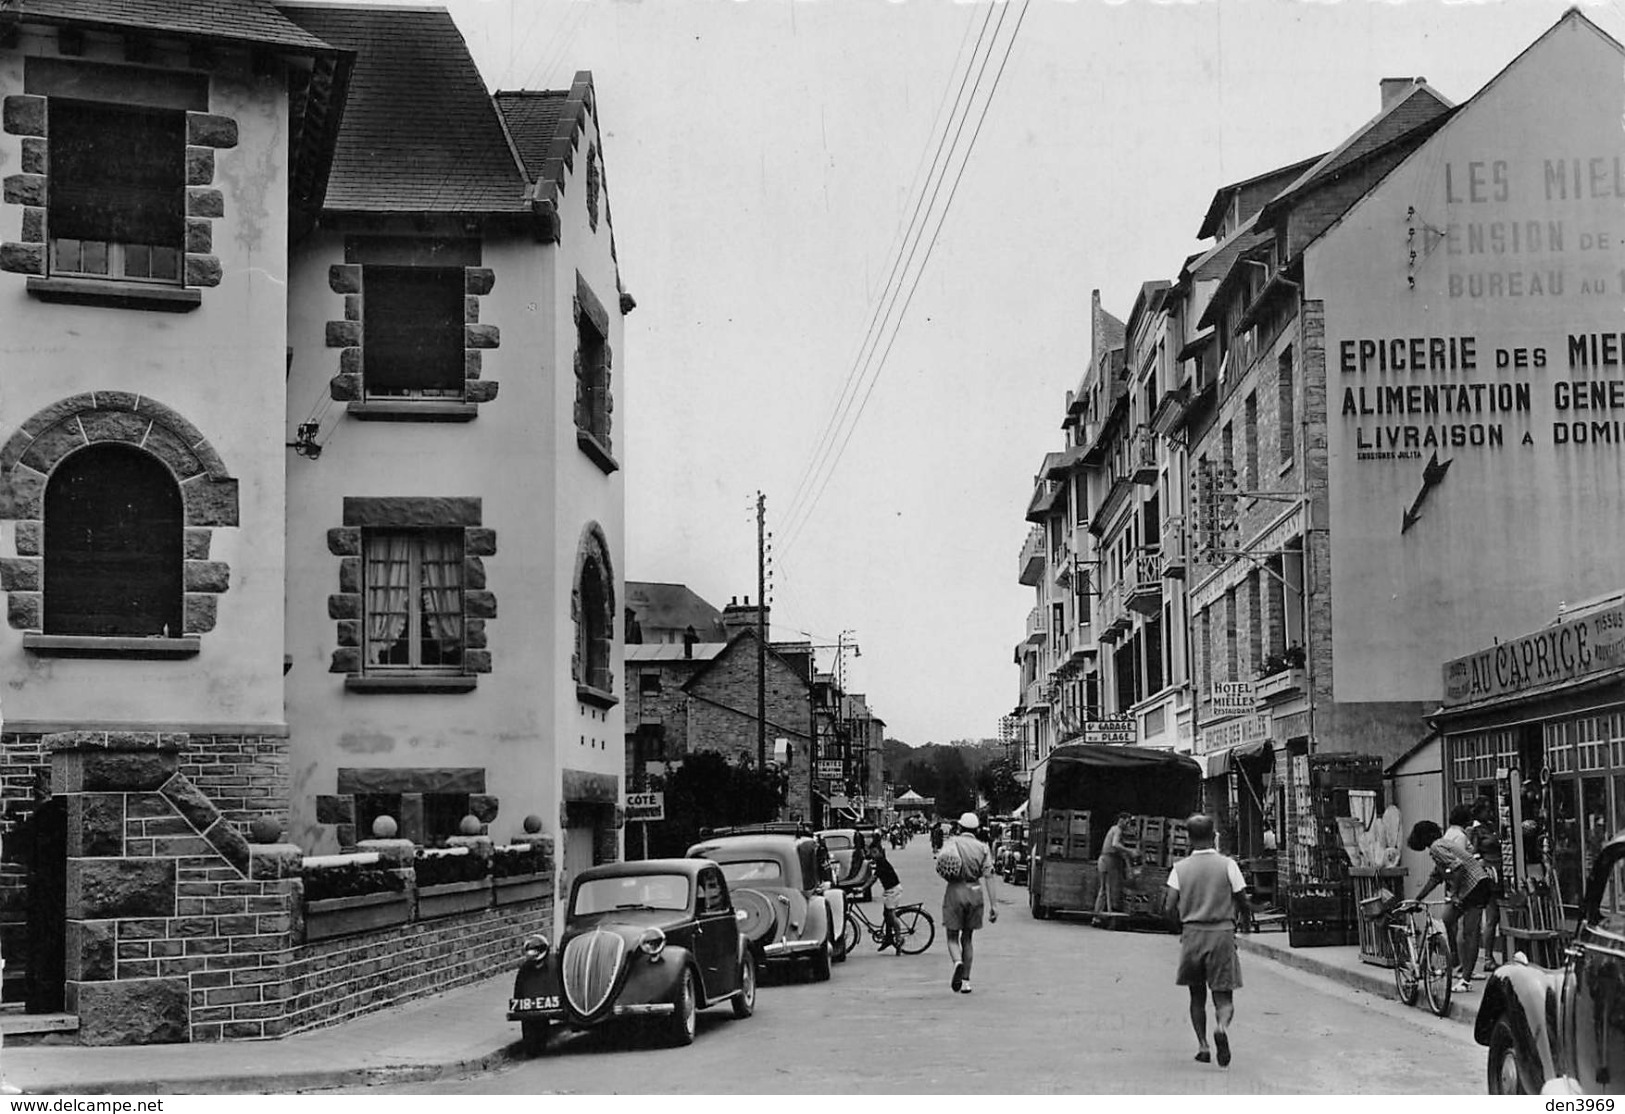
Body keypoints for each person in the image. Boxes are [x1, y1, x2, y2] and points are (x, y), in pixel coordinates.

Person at [1166, 813, 1247, 1068]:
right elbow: (1242, 898)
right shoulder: (1228, 865)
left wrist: (1180, 927)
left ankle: (1203, 1046)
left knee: (1196, 996)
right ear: (1214, 836)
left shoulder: (1179, 869)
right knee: (1224, 998)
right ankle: (1221, 1027)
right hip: (1221, 933)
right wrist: (1241, 918)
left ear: (1189, 838)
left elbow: (1169, 906)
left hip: (1192, 935)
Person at [1408, 818, 1495, 993]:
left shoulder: (1436, 847)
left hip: (1475, 886)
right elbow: (1436, 877)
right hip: (1476, 885)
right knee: (1447, 919)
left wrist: (1454, 894)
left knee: (1470, 933)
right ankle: (1453, 960)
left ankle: (1465, 978)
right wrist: (1418, 898)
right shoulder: (1442, 845)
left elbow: (1458, 868)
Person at [941, 811, 997, 994]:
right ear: (977, 829)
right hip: (975, 891)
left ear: (960, 827)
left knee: (951, 936)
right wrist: (994, 905)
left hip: (955, 891)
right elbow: (989, 876)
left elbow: (942, 864)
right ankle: (966, 981)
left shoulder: (952, 843)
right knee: (967, 938)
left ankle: (957, 961)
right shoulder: (983, 848)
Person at [1469, 797, 1505, 972]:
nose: (1490, 812)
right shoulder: (1476, 830)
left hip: (1502, 871)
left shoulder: (1491, 826)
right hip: (1490, 874)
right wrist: (1484, 867)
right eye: (1487, 809)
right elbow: (1474, 854)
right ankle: (1488, 957)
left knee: (1499, 915)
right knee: (1492, 916)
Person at [1093, 811, 1139, 927]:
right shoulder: (1117, 829)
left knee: (1104, 889)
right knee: (1108, 889)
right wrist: (1130, 851)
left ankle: (1098, 916)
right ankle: (1102, 916)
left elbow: (1121, 853)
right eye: (1127, 822)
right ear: (1121, 820)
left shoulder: (1116, 831)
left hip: (1105, 860)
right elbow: (1115, 845)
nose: (1128, 825)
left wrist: (1129, 866)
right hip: (1107, 861)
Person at [870, 834, 904, 952]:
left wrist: (862, 888)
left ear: (880, 852)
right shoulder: (879, 862)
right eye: (871, 853)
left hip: (893, 890)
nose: (873, 855)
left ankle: (899, 937)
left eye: (875, 852)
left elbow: (873, 879)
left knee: (891, 914)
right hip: (889, 890)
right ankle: (888, 938)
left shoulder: (882, 862)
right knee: (886, 914)